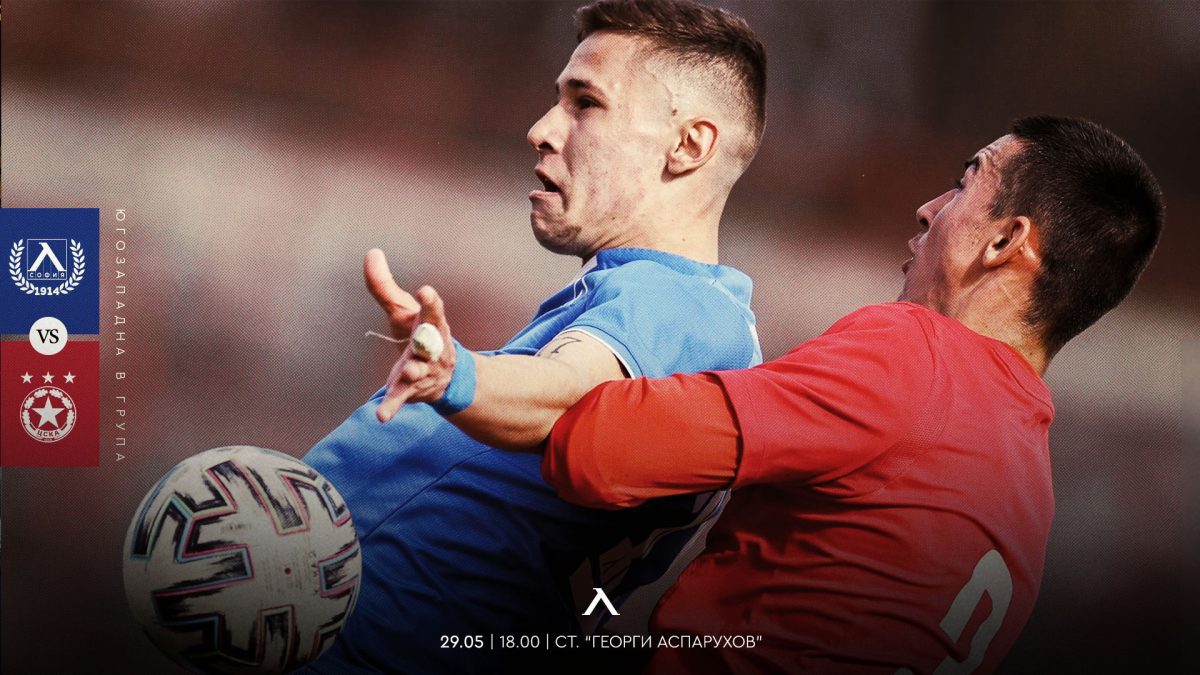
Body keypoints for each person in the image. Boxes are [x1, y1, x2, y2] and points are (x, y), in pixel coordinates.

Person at [534, 116, 1164, 673]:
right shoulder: (1031, 500)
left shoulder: (919, 355)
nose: (928, 208)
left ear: (1004, 242)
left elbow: (596, 448)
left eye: (963, 184)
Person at [302, 1, 767, 672]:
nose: (541, 130)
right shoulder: (680, 309)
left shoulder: (679, 305)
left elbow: (574, 393)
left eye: (586, 103)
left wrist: (456, 374)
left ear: (688, 145)